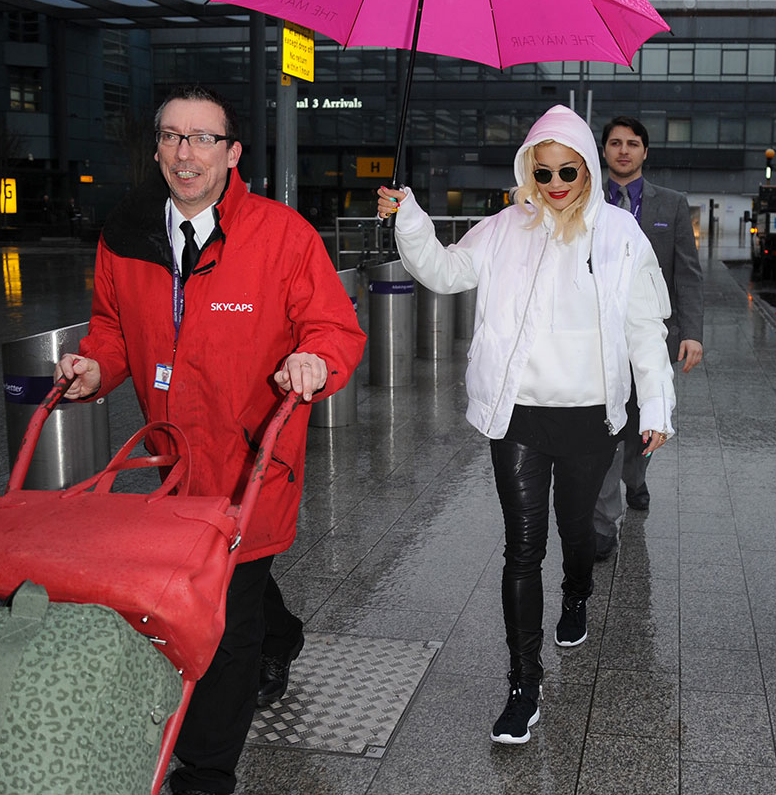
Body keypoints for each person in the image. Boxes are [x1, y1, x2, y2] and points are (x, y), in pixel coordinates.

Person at [55, 84, 365, 795]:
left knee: (226, 627)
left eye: (202, 139)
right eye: (171, 136)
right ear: (156, 147)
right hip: (175, 464)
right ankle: (281, 634)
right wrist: (94, 367)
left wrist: (315, 358)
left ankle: (205, 775)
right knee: (225, 580)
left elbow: (335, 327)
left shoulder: (281, 235)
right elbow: (111, 327)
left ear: (232, 153)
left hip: (256, 460)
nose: (185, 153)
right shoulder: (127, 231)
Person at [376, 105, 675, 745]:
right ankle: (523, 683)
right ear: (528, 172)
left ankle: (575, 593)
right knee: (521, 546)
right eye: (543, 173)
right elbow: (447, 271)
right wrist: (409, 217)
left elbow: (646, 328)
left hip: (591, 418)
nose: (556, 183)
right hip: (516, 416)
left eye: (568, 170)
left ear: (588, 169)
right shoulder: (506, 227)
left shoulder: (621, 234)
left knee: (577, 532)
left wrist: (657, 407)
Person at [593, 116, 704, 560]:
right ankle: (604, 522)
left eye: (632, 144)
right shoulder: (585, 199)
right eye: (615, 143)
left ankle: (635, 477)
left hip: (655, 337)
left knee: (642, 423)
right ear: (603, 151)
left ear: (644, 152)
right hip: (600, 340)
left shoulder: (672, 205)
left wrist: (691, 333)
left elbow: (688, 275)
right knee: (606, 429)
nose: (623, 150)